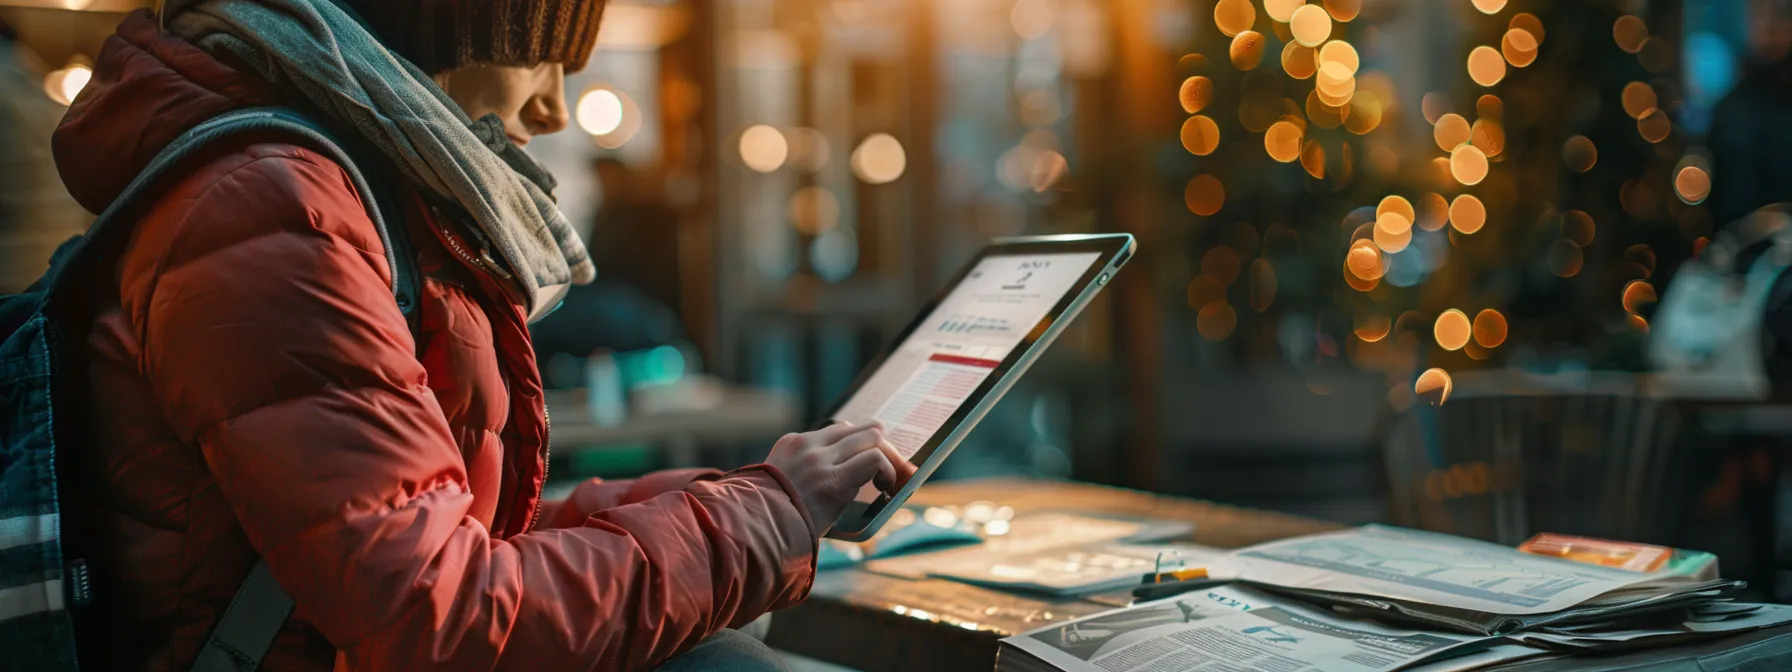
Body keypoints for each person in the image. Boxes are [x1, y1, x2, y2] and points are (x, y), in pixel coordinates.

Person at [52, 0, 912, 670]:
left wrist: (737, 498)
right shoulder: (277, 207)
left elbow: (440, 542)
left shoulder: (338, 190)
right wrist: (759, 519)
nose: (554, 108)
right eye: (542, 53)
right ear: (454, 20)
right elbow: (444, 626)